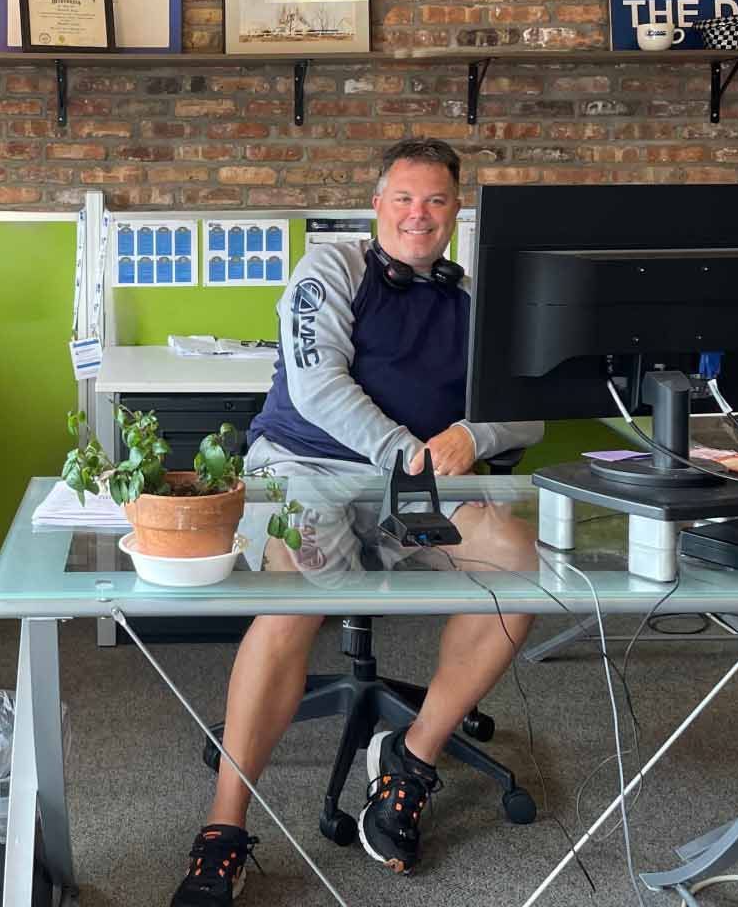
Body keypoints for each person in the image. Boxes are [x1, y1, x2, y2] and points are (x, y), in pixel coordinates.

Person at [169, 138, 544, 905]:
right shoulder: (331, 269)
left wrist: (479, 435)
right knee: (297, 594)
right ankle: (226, 826)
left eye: (437, 200)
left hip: (416, 491)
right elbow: (316, 386)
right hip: (307, 468)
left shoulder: (471, 299)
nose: (420, 214)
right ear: (377, 205)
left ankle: (410, 756)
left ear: (456, 211)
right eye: (404, 198)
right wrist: (408, 452)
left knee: (516, 560)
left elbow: (528, 414)